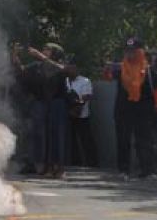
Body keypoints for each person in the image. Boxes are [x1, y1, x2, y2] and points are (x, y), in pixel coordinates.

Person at [105, 38, 157, 180]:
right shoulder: (121, 69)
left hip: (143, 112)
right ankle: (123, 170)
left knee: (145, 140)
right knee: (123, 140)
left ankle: (148, 170)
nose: (130, 54)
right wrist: (107, 70)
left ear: (141, 52)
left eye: (134, 51)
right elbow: (108, 78)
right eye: (128, 51)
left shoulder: (149, 71)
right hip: (123, 110)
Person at [13, 42, 72, 177]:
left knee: (58, 136)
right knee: (43, 136)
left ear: (56, 53)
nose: (44, 51)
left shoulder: (59, 65)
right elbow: (21, 71)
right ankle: (46, 166)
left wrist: (40, 56)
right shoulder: (38, 66)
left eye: (48, 50)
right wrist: (15, 55)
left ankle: (59, 167)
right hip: (45, 103)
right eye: (43, 49)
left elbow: (61, 70)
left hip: (58, 103)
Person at [65, 63, 97, 168]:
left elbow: (86, 96)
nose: (70, 71)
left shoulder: (84, 81)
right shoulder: (65, 81)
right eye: (68, 68)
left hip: (82, 114)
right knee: (71, 139)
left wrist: (77, 108)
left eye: (72, 68)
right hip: (68, 114)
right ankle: (75, 161)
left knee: (86, 139)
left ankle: (92, 162)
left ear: (77, 69)